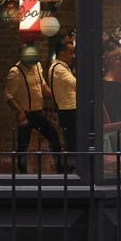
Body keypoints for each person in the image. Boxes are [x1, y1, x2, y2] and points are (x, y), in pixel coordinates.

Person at [3, 51, 63, 173]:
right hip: (25, 113)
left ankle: (60, 169)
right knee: (23, 145)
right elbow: (8, 96)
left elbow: (42, 85)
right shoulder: (15, 72)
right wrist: (20, 112)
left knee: (53, 136)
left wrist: (56, 96)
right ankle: (23, 175)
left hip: (38, 112)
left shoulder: (37, 66)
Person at [49, 38, 77, 171]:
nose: (74, 56)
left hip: (68, 110)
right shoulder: (59, 69)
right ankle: (67, 174)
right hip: (69, 111)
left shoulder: (61, 68)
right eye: (71, 53)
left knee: (72, 145)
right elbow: (75, 84)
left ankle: (69, 172)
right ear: (61, 54)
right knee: (71, 146)